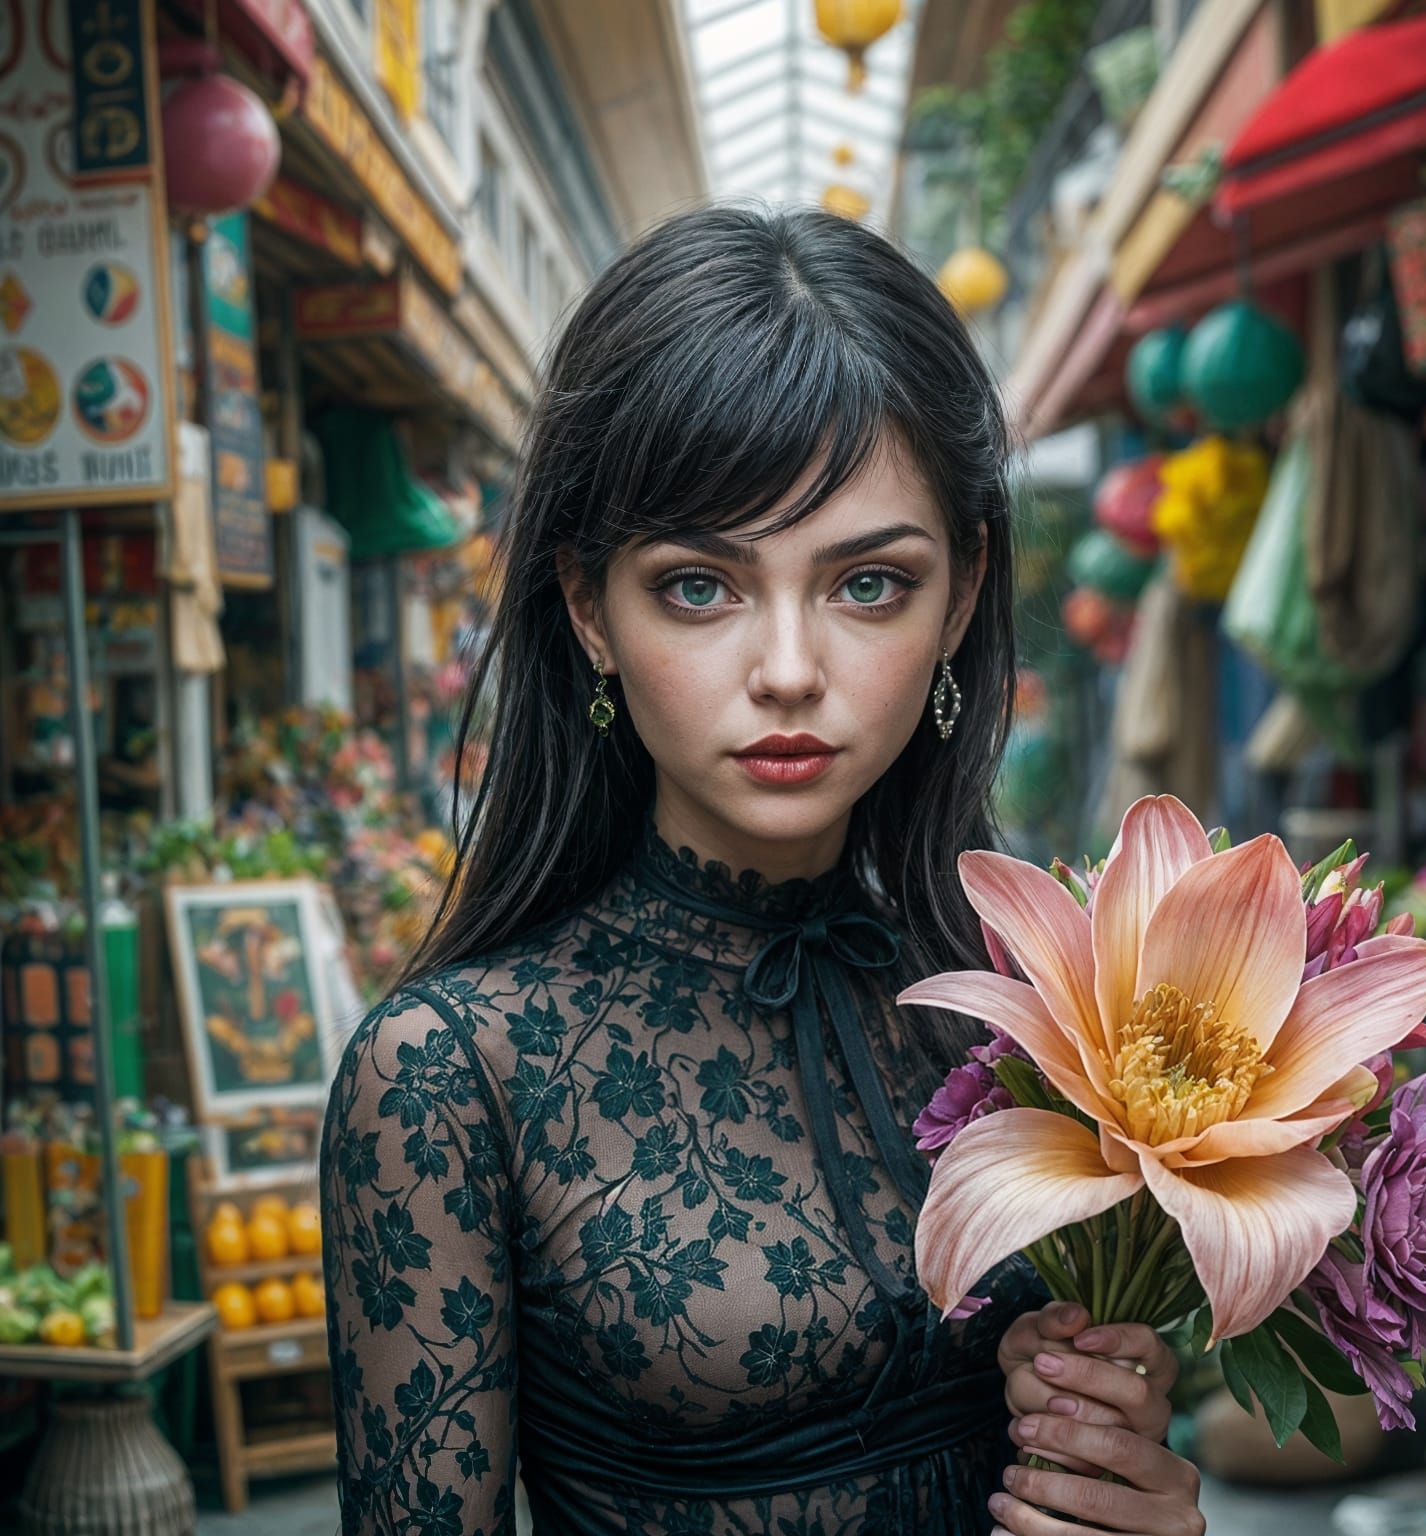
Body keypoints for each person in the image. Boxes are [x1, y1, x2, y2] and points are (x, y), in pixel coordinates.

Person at [320, 203, 1204, 1536]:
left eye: (868, 584)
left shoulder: (1041, 1007)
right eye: (699, 586)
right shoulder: (450, 1077)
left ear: (962, 594)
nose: (789, 670)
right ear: (587, 607)